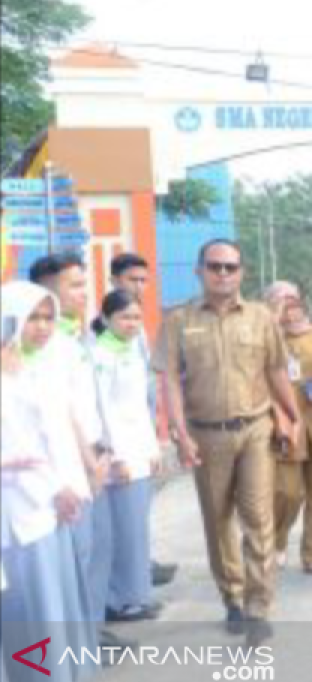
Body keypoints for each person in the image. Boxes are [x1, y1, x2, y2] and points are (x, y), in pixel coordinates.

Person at [155, 239, 300, 643]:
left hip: (255, 429)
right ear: (199, 270)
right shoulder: (178, 321)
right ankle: (232, 598)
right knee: (217, 520)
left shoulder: (260, 318)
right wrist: (180, 434)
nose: (223, 274)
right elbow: (169, 381)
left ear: (242, 273)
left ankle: (258, 607)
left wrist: (293, 417)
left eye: (230, 267)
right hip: (206, 434)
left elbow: (276, 372)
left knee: (258, 518)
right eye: (215, 266)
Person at [1, 282, 96, 681]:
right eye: (32, 318)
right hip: (21, 516)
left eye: (47, 318)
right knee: (36, 617)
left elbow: (59, 435)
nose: (42, 327)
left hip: (55, 509)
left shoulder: (32, 368)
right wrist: (53, 491)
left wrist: (73, 485)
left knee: (59, 613)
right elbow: (13, 446)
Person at [30, 253, 124, 654]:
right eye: (75, 285)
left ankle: (88, 633)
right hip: (69, 469)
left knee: (92, 551)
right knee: (73, 559)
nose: (85, 294)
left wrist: (104, 451)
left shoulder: (75, 335)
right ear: (46, 289)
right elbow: (59, 412)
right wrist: (88, 463)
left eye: (86, 284)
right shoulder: (42, 345)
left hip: (92, 458)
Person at [90, 290, 163, 623]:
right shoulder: (99, 354)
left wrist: (152, 449)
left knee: (137, 528)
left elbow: (139, 407)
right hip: (119, 457)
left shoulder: (132, 348)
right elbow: (102, 410)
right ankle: (121, 600)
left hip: (139, 450)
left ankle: (137, 594)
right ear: (106, 319)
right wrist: (115, 455)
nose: (132, 324)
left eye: (136, 317)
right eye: (125, 317)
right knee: (123, 531)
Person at [264, 282, 312, 576]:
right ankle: (277, 541)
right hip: (284, 425)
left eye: (291, 297)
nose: (288, 304)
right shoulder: (267, 336)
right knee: (287, 493)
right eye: (280, 299)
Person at [110, 252, 178, 588]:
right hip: (120, 444)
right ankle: (127, 588)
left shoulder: (135, 326)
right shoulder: (109, 326)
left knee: (138, 515)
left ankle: (140, 571)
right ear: (114, 281)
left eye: (143, 280)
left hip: (141, 433)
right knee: (123, 519)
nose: (139, 286)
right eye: (131, 280)